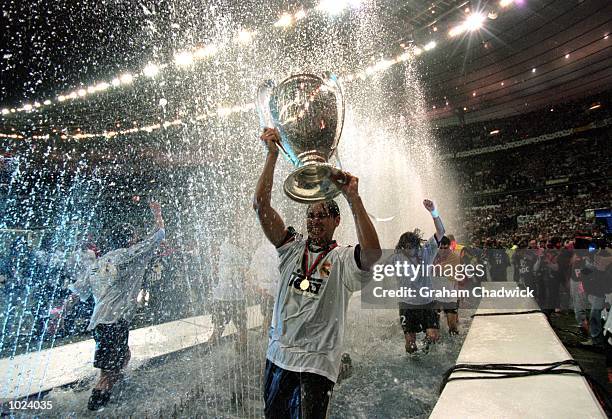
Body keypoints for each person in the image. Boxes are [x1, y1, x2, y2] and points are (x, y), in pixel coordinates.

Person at [253, 127, 381, 419]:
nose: (314, 221)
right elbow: (260, 206)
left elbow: (372, 255)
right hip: (278, 357)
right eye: (310, 215)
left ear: (336, 220)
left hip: (317, 366)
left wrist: (353, 199)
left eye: (322, 215)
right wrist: (271, 155)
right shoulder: (291, 250)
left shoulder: (343, 259)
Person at [57, 201, 165, 411]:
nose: (136, 240)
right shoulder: (128, 256)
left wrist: (63, 312)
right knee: (108, 374)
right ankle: (95, 406)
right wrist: (157, 214)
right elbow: (159, 235)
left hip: (101, 322)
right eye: (134, 237)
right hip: (114, 322)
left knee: (123, 357)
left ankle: (110, 392)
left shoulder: (98, 264)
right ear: (130, 239)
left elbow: (78, 291)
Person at [391, 200, 445, 353]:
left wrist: (433, 211)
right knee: (410, 343)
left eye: (412, 247)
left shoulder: (427, 251)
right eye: (405, 248)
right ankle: (415, 361)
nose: (409, 251)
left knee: (433, 336)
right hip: (407, 305)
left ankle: (426, 350)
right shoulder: (397, 258)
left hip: (428, 304)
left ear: (417, 246)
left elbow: (441, 232)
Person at [250, 239, 281, 339]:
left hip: (264, 287)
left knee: (268, 313)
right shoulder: (279, 249)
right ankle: (265, 336)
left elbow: (252, 271)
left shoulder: (259, 250)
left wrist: (257, 287)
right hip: (273, 287)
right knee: (270, 313)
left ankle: (264, 335)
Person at [432, 236, 461, 335]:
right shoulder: (433, 255)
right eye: (441, 248)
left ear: (449, 247)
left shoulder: (454, 257)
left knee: (452, 325)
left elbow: (438, 269)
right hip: (435, 296)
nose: (443, 251)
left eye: (446, 248)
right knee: (435, 325)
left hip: (450, 296)